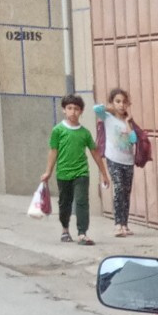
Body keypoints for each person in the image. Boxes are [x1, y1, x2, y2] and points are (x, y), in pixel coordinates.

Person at [42, 93, 109, 246]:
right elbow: (53, 151)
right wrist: (48, 172)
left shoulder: (84, 133)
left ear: (81, 111)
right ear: (64, 110)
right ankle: (65, 229)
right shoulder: (58, 130)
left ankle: (82, 233)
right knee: (65, 203)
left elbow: (95, 153)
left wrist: (104, 174)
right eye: (69, 108)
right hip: (64, 173)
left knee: (81, 201)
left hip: (81, 172)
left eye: (76, 109)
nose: (73, 111)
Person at [93, 87, 140, 237]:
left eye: (124, 102)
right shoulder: (107, 117)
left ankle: (125, 224)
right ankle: (117, 224)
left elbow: (133, 140)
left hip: (128, 161)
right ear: (112, 103)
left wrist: (128, 123)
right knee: (119, 188)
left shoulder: (128, 121)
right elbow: (96, 108)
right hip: (114, 159)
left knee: (126, 192)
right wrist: (112, 109)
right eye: (118, 101)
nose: (121, 105)